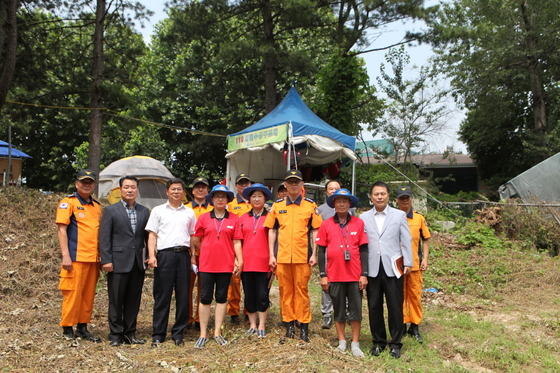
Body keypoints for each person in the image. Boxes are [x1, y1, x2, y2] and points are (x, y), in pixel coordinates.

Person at [264, 169, 322, 342]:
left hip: (302, 256)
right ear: (286, 185)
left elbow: (315, 231)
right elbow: (272, 231)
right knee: (285, 292)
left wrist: (315, 253)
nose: (294, 185)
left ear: (302, 185)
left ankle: (303, 326)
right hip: (282, 257)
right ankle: (289, 325)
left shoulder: (310, 205)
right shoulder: (277, 206)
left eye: (297, 182)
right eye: (290, 182)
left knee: (302, 292)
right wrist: (271, 255)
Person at [360, 181, 412, 359]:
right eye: (376, 194)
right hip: (373, 268)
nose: (379, 197)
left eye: (383, 194)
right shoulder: (364, 217)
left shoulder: (398, 216)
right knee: (374, 306)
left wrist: (409, 262)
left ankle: (395, 343)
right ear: (371, 197)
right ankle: (378, 342)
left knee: (395, 306)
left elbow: (406, 240)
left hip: (393, 267)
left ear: (388, 196)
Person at [317, 189, 368, 357]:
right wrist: (323, 274)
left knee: (356, 310)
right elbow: (321, 251)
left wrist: (364, 274)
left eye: (344, 201)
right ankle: (342, 342)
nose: (341, 204)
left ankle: (355, 343)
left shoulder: (358, 223)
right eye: (338, 201)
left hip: (354, 275)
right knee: (338, 309)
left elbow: (364, 250)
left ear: (349, 204)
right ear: (333, 203)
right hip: (334, 275)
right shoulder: (326, 224)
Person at [100, 176, 150, 347]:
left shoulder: (144, 211)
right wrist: (106, 259)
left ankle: (130, 333)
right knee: (116, 300)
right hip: (117, 261)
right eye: (126, 187)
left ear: (137, 190)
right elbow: (104, 237)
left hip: (137, 263)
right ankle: (115, 334)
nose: (130, 190)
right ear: (120, 190)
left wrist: (150, 256)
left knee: (133, 300)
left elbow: (147, 237)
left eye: (133, 187)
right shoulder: (111, 210)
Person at [145, 178, 196, 347]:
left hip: (183, 255)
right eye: (173, 189)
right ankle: (158, 333)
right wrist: (152, 255)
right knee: (162, 295)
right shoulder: (158, 211)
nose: (176, 192)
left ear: (183, 192)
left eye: (179, 189)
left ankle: (178, 333)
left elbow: (192, 236)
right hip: (165, 256)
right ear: (167, 192)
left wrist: (193, 256)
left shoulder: (189, 212)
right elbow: (152, 235)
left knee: (183, 295)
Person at [191, 185, 243, 348]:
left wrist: (239, 260)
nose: (220, 199)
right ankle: (203, 334)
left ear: (228, 200)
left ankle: (217, 332)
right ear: (211, 200)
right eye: (217, 196)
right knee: (205, 298)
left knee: (221, 298)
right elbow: (196, 239)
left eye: (223, 196)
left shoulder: (234, 218)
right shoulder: (204, 218)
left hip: (225, 265)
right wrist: (206, 250)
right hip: (206, 264)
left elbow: (236, 241)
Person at [55, 169, 102, 342]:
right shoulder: (68, 203)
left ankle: (83, 326)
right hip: (75, 258)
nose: (86, 185)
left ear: (94, 185)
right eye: (83, 182)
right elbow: (62, 230)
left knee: (88, 295)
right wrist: (65, 255)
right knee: (72, 293)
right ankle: (68, 327)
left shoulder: (96, 207)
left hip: (93, 259)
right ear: (76, 184)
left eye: (90, 182)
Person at [316, 180, 356, 329]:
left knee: (346, 280)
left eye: (336, 188)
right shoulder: (320, 210)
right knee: (327, 283)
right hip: (328, 250)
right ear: (326, 192)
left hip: (346, 251)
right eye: (330, 189)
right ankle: (327, 314)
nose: (333, 191)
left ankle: (345, 311)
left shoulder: (350, 209)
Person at [395, 185, 431, 343]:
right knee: (399, 296)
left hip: (415, 266)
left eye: (407, 198)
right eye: (401, 198)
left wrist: (425, 259)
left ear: (411, 199)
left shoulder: (419, 218)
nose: (404, 201)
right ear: (397, 200)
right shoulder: (393, 217)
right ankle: (402, 324)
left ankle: (414, 326)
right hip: (397, 265)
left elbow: (426, 239)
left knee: (415, 296)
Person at [239, 183, 273, 338]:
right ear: (249, 199)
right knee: (249, 294)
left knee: (262, 294)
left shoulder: (270, 217)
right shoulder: (243, 218)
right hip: (246, 262)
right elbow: (237, 241)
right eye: (254, 196)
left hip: (264, 262)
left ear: (265, 198)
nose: (257, 199)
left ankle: (261, 325)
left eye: (260, 196)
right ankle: (252, 324)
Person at [185, 176, 213, 331]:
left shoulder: (213, 208)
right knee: (187, 287)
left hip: (208, 253)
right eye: (197, 187)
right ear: (193, 190)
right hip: (189, 253)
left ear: (207, 190)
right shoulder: (186, 207)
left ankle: (199, 317)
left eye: (204, 187)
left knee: (204, 288)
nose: (200, 190)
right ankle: (188, 317)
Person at [226, 173, 252, 323]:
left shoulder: (255, 201)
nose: (244, 186)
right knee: (234, 283)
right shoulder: (231, 204)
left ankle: (249, 310)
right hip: (234, 248)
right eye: (241, 183)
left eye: (246, 183)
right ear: (236, 186)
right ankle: (233, 312)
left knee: (249, 282)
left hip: (250, 248)